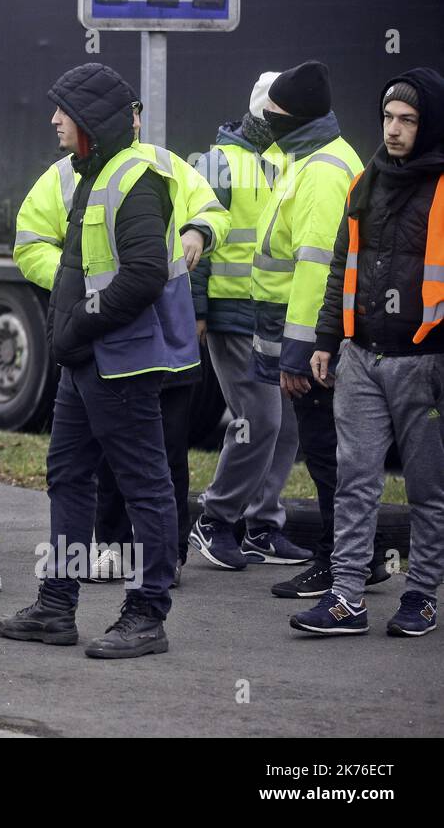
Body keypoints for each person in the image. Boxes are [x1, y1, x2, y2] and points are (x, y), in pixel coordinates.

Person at [0, 63, 196, 659]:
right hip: (86, 364)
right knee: (68, 478)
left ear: (91, 121)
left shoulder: (136, 177)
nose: (54, 119)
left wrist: (76, 327)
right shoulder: (92, 171)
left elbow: (142, 275)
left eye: (64, 111)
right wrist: (70, 335)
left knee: (146, 488)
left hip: (122, 364)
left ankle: (146, 614)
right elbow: (75, 267)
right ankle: (56, 607)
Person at [13, 106, 226, 587]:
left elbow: (211, 209)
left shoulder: (162, 166)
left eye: (135, 113)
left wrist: (200, 231)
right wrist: (78, 290)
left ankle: (164, 559)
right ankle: (109, 548)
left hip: (164, 335)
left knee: (165, 452)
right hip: (102, 334)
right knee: (95, 456)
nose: (53, 120)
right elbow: (29, 243)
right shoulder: (62, 176)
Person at [292, 68, 444, 636]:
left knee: (429, 489)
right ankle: (346, 596)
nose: (395, 130)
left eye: (407, 120)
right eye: (388, 118)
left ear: (427, 125)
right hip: (361, 357)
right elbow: (342, 269)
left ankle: (421, 596)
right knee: (356, 479)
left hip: (424, 361)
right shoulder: (365, 183)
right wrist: (326, 341)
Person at [248, 61, 372, 601]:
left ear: (292, 117)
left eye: (272, 111)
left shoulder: (321, 171)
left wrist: (300, 355)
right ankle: (360, 561)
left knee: (326, 456)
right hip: (312, 336)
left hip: (313, 342)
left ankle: (336, 561)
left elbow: (316, 267)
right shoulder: (317, 155)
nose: (265, 119)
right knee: (332, 454)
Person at [188, 73, 314, 571]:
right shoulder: (219, 163)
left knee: (283, 427)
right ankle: (215, 519)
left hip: (274, 318)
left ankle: (263, 526)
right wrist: (198, 311)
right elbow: (194, 236)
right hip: (232, 317)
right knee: (257, 420)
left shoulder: (287, 163)